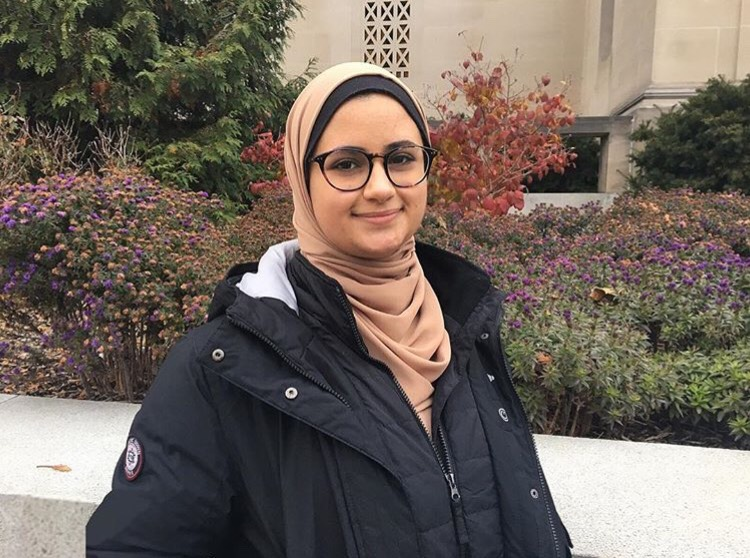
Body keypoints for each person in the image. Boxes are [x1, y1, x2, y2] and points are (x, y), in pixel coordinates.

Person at [86, 62, 572, 558]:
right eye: (347, 164)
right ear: (302, 179)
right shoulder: (223, 367)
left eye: (402, 158)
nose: (381, 187)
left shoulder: (465, 327)